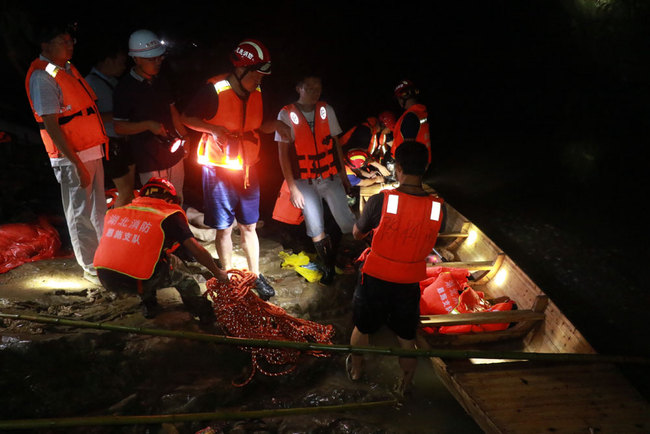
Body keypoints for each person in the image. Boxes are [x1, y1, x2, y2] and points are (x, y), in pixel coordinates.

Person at [181, 39, 291, 300]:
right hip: (218, 169)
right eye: (256, 74)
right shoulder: (214, 89)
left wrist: (276, 124)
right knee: (224, 227)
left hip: (248, 169)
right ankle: (227, 275)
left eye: (263, 76)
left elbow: (258, 124)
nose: (260, 81)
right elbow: (187, 118)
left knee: (250, 226)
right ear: (241, 69)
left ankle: (255, 275)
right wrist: (214, 129)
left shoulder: (258, 91)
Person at [347, 141, 444, 397]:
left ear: (398, 168)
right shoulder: (437, 207)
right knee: (406, 337)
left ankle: (356, 370)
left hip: (375, 279)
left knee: (362, 327)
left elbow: (357, 234)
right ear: (425, 168)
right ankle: (405, 384)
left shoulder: (382, 201)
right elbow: (433, 235)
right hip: (408, 284)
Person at [25, 23, 108, 285]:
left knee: (98, 210)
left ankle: (105, 259)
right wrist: (75, 163)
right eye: (63, 41)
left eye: (71, 40)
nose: (70, 44)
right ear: (45, 45)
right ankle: (91, 267)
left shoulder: (67, 69)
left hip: (90, 150)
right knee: (79, 212)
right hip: (72, 157)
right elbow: (51, 124)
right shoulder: (42, 77)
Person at [93, 177, 228, 321]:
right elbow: (196, 250)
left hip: (105, 277)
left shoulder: (119, 211)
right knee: (181, 273)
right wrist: (218, 273)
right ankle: (203, 312)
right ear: (170, 199)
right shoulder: (168, 215)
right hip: (137, 281)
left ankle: (149, 306)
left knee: (146, 259)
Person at [275, 75, 356, 285]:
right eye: (309, 87)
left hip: (329, 176)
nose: (314, 91)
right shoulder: (285, 114)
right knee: (315, 226)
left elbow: (336, 143)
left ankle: (356, 257)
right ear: (298, 88)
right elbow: (283, 154)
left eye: (317, 87)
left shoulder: (326, 110)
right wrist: (292, 188)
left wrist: (343, 174)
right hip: (304, 181)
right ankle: (328, 267)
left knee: (347, 222)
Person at [113, 29, 189, 203]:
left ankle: (178, 228)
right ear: (136, 59)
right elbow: (119, 127)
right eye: (151, 59)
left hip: (173, 151)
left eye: (159, 57)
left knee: (177, 199)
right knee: (156, 202)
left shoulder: (161, 80)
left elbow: (172, 110)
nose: (157, 62)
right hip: (149, 158)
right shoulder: (125, 88)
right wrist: (148, 125)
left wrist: (185, 136)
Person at [84, 39, 133, 207]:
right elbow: (88, 117)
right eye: (120, 62)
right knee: (124, 191)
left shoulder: (112, 81)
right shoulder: (90, 83)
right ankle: (115, 228)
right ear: (107, 60)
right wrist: (120, 116)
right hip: (109, 144)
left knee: (127, 191)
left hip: (121, 141)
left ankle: (120, 224)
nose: (123, 66)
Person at [391, 80, 430, 164]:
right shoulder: (421, 112)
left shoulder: (410, 117)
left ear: (402, 99)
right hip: (421, 163)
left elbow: (408, 149)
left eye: (398, 99)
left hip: (411, 167)